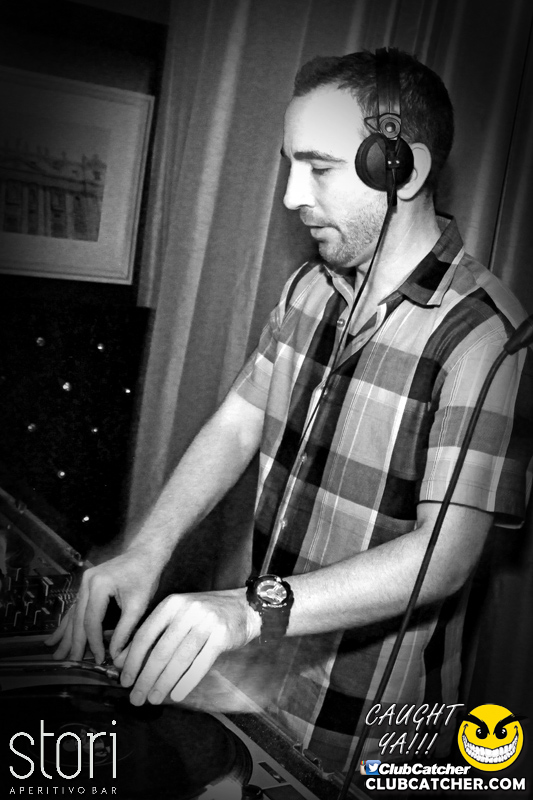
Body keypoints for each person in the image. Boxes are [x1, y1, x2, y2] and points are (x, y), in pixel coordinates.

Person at [47, 49, 533, 774]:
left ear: (401, 169)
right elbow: (239, 420)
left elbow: (445, 556)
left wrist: (251, 608)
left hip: (373, 727)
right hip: (257, 682)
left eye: (318, 168)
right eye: (289, 165)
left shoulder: (486, 336)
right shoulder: (308, 287)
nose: (290, 196)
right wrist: (148, 547)